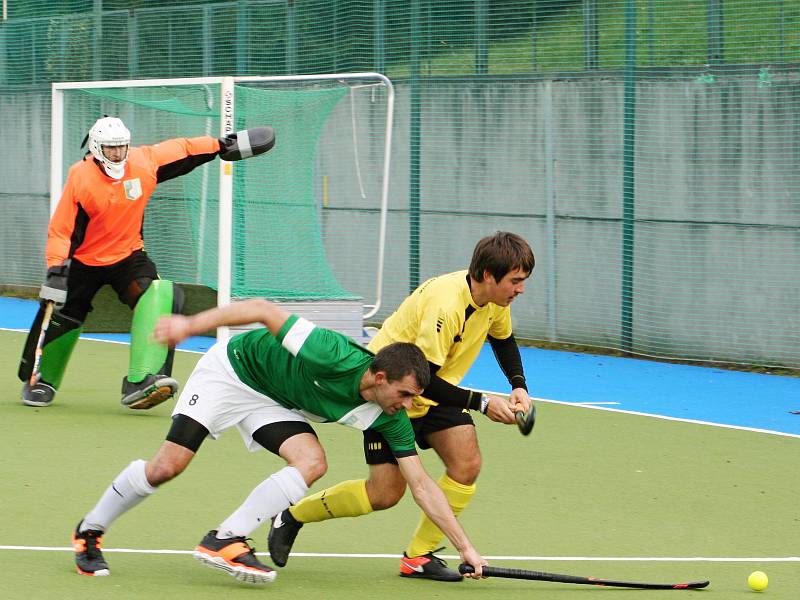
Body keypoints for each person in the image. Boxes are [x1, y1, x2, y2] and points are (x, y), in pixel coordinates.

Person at [71, 298, 487, 584]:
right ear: (380, 378)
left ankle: (224, 538)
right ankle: (90, 530)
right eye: (405, 394)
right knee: (166, 467)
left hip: (273, 401)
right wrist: (188, 325)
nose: (409, 405)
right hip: (231, 372)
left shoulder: (391, 418)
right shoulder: (333, 353)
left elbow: (421, 486)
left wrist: (465, 548)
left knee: (312, 461)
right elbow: (261, 309)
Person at [268, 231, 535, 582]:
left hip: (438, 389)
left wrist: (518, 386)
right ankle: (293, 515)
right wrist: (482, 403)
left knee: (466, 463)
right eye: (515, 282)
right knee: (384, 495)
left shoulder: (493, 302)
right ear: (488, 275)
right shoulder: (447, 305)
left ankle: (418, 557)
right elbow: (421, 381)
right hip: (393, 395)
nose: (520, 290)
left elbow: (503, 340)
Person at [18, 116, 274, 410]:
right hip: (83, 260)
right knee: (63, 309)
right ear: (97, 148)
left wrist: (221, 144)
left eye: (122, 147)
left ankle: (143, 380)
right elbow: (62, 228)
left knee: (159, 294)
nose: (118, 154)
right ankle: (41, 380)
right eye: (111, 149)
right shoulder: (81, 177)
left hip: (128, 255)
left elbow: (183, 148)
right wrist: (56, 267)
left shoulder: (144, 162)